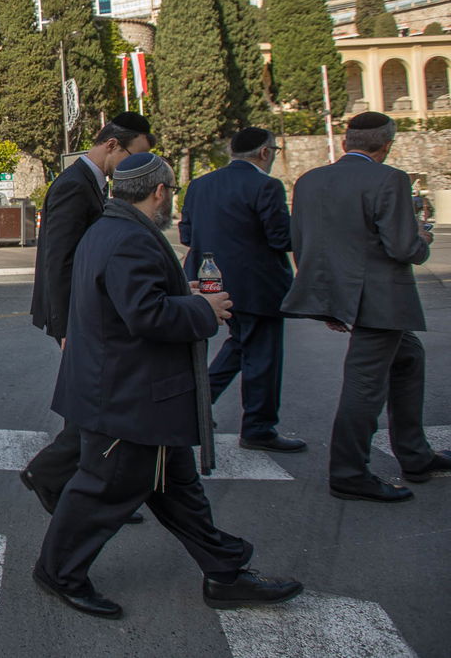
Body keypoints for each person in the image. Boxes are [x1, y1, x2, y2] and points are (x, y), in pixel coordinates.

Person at [34, 153, 302, 619]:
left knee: (179, 491)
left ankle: (225, 571)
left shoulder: (109, 229)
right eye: (172, 191)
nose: (172, 201)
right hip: (128, 397)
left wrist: (189, 298)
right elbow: (146, 314)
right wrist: (205, 311)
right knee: (102, 492)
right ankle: (58, 572)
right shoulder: (128, 239)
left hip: (136, 396)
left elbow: (133, 302)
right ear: (158, 191)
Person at [282, 111, 449, 502]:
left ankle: (415, 453)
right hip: (380, 299)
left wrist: (327, 302)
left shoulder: (309, 180)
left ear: (345, 142)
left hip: (338, 293)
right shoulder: (389, 178)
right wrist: (422, 236)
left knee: (408, 359)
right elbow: (404, 248)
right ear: (387, 145)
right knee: (365, 387)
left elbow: (302, 243)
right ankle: (349, 472)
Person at [22, 113, 153, 514]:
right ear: (113, 145)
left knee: (91, 402)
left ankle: (66, 481)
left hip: (85, 312)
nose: (134, 165)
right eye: (135, 155)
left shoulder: (92, 183)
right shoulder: (74, 185)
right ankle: (57, 476)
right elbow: (58, 260)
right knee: (94, 403)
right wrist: (64, 327)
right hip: (76, 315)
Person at [179, 127, 303, 453]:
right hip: (258, 286)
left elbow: (188, 235)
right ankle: (259, 427)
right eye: (274, 150)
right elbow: (281, 238)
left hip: (211, 281)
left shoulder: (201, 184)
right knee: (262, 356)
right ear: (265, 153)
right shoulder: (266, 186)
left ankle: (197, 402)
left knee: (240, 345)